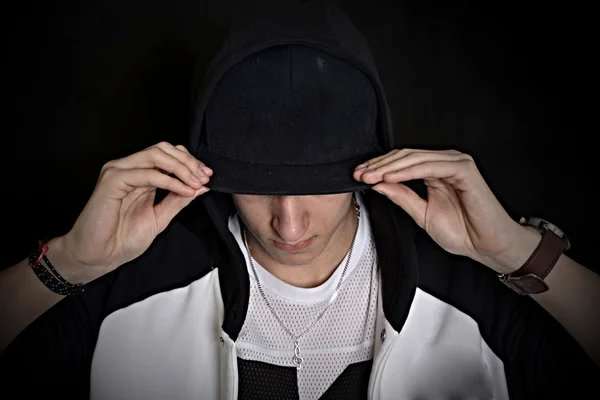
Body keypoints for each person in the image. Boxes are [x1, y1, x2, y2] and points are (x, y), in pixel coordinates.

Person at [1, 1, 599, 399]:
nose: (289, 223)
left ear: (370, 166)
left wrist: (521, 256)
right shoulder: (129, 280)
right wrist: (68, 265)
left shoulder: (465, 289)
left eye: (320, 182)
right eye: (257, 181)